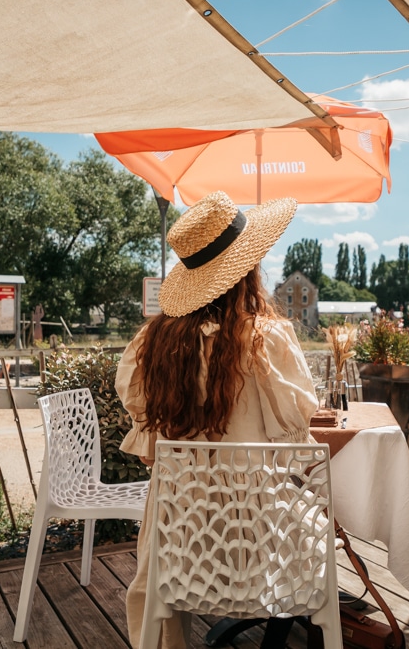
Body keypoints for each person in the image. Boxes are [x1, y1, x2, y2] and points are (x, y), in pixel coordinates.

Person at [116, 191, 319, 649]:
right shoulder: (266, 339)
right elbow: (297, 439)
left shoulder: (152, 345)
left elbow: (147, 438)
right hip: (261, 542)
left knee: (162, 520)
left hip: (180, 539)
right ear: (248, 271)